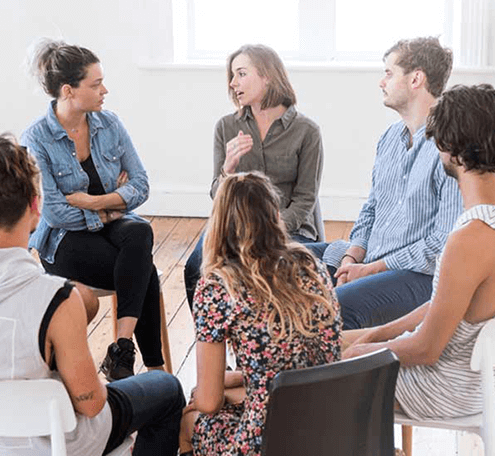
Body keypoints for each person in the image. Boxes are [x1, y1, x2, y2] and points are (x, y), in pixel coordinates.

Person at [0, 133, 185, 456]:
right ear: (35, 207)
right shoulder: (54, 299)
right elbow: (93, 404)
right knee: (167, 389)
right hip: (59, 443)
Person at [343, 83, 495, 421]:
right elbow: (446, 304)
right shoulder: (484, 224)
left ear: (449, 147)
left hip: (440, 388)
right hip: (469, 380)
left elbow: (426, 349)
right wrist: (378, 333)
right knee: (324, 343)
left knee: (301, 372)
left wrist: (366, 350)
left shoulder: (470, 238)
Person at [20, 38, 163, 381]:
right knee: (144, 271)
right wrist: (114, 201)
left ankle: (122, 350)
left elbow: (142, 184)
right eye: (96, 84)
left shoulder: (108, 124)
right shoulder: (36, 139)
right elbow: (54, 214)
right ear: (68, 90)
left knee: (140, 231)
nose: (105, 90)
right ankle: (153, 368)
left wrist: (94, 203)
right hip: (63, 242)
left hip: (111, 230)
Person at [179, 171, 341, 456]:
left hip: (269, 440)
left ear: (219, 223)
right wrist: (241, 380)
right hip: (329, 427)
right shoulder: (311, 266)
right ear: (275, 214)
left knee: (189, 420)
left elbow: (208, 401)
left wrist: (217, 394)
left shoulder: (218, 287)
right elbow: (293, 358)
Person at [322, 37, 462, 329]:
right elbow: (372, 208)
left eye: (388, 72)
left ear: (416, 79)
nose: (381, 82)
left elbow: (441, 245)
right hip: (370, 262)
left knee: (335, 307)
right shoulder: (389, 139)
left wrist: (371, 269)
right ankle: (263, 372)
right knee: (288, 270)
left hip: (418, 277)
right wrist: (351, 257)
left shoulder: (450, 148)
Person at [184, 44, 325, 308]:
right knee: (195, 268)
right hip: (234, 226)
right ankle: (211, 344)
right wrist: (228, 168)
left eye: (241, 73)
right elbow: (218, 194)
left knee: (273, 273)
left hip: (288, 228)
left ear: (267, 75)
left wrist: (267, 231)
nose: (233, 82)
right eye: (232, 75)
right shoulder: (226, 126)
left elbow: (305, 199)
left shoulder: (307, 131)